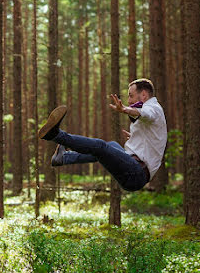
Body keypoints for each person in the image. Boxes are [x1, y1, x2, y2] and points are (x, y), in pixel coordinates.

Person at [38, 78, 167, 192]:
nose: (128, 100)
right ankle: (64, 157)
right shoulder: (153, 112)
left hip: (136, 173)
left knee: (100, 146)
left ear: (143, 94)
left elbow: (146, 113)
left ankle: (56, 135)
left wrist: (125, 110)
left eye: (131, 95)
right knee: (112, 146)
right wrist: (136, 139)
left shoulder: (154, 108)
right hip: (134, 169)